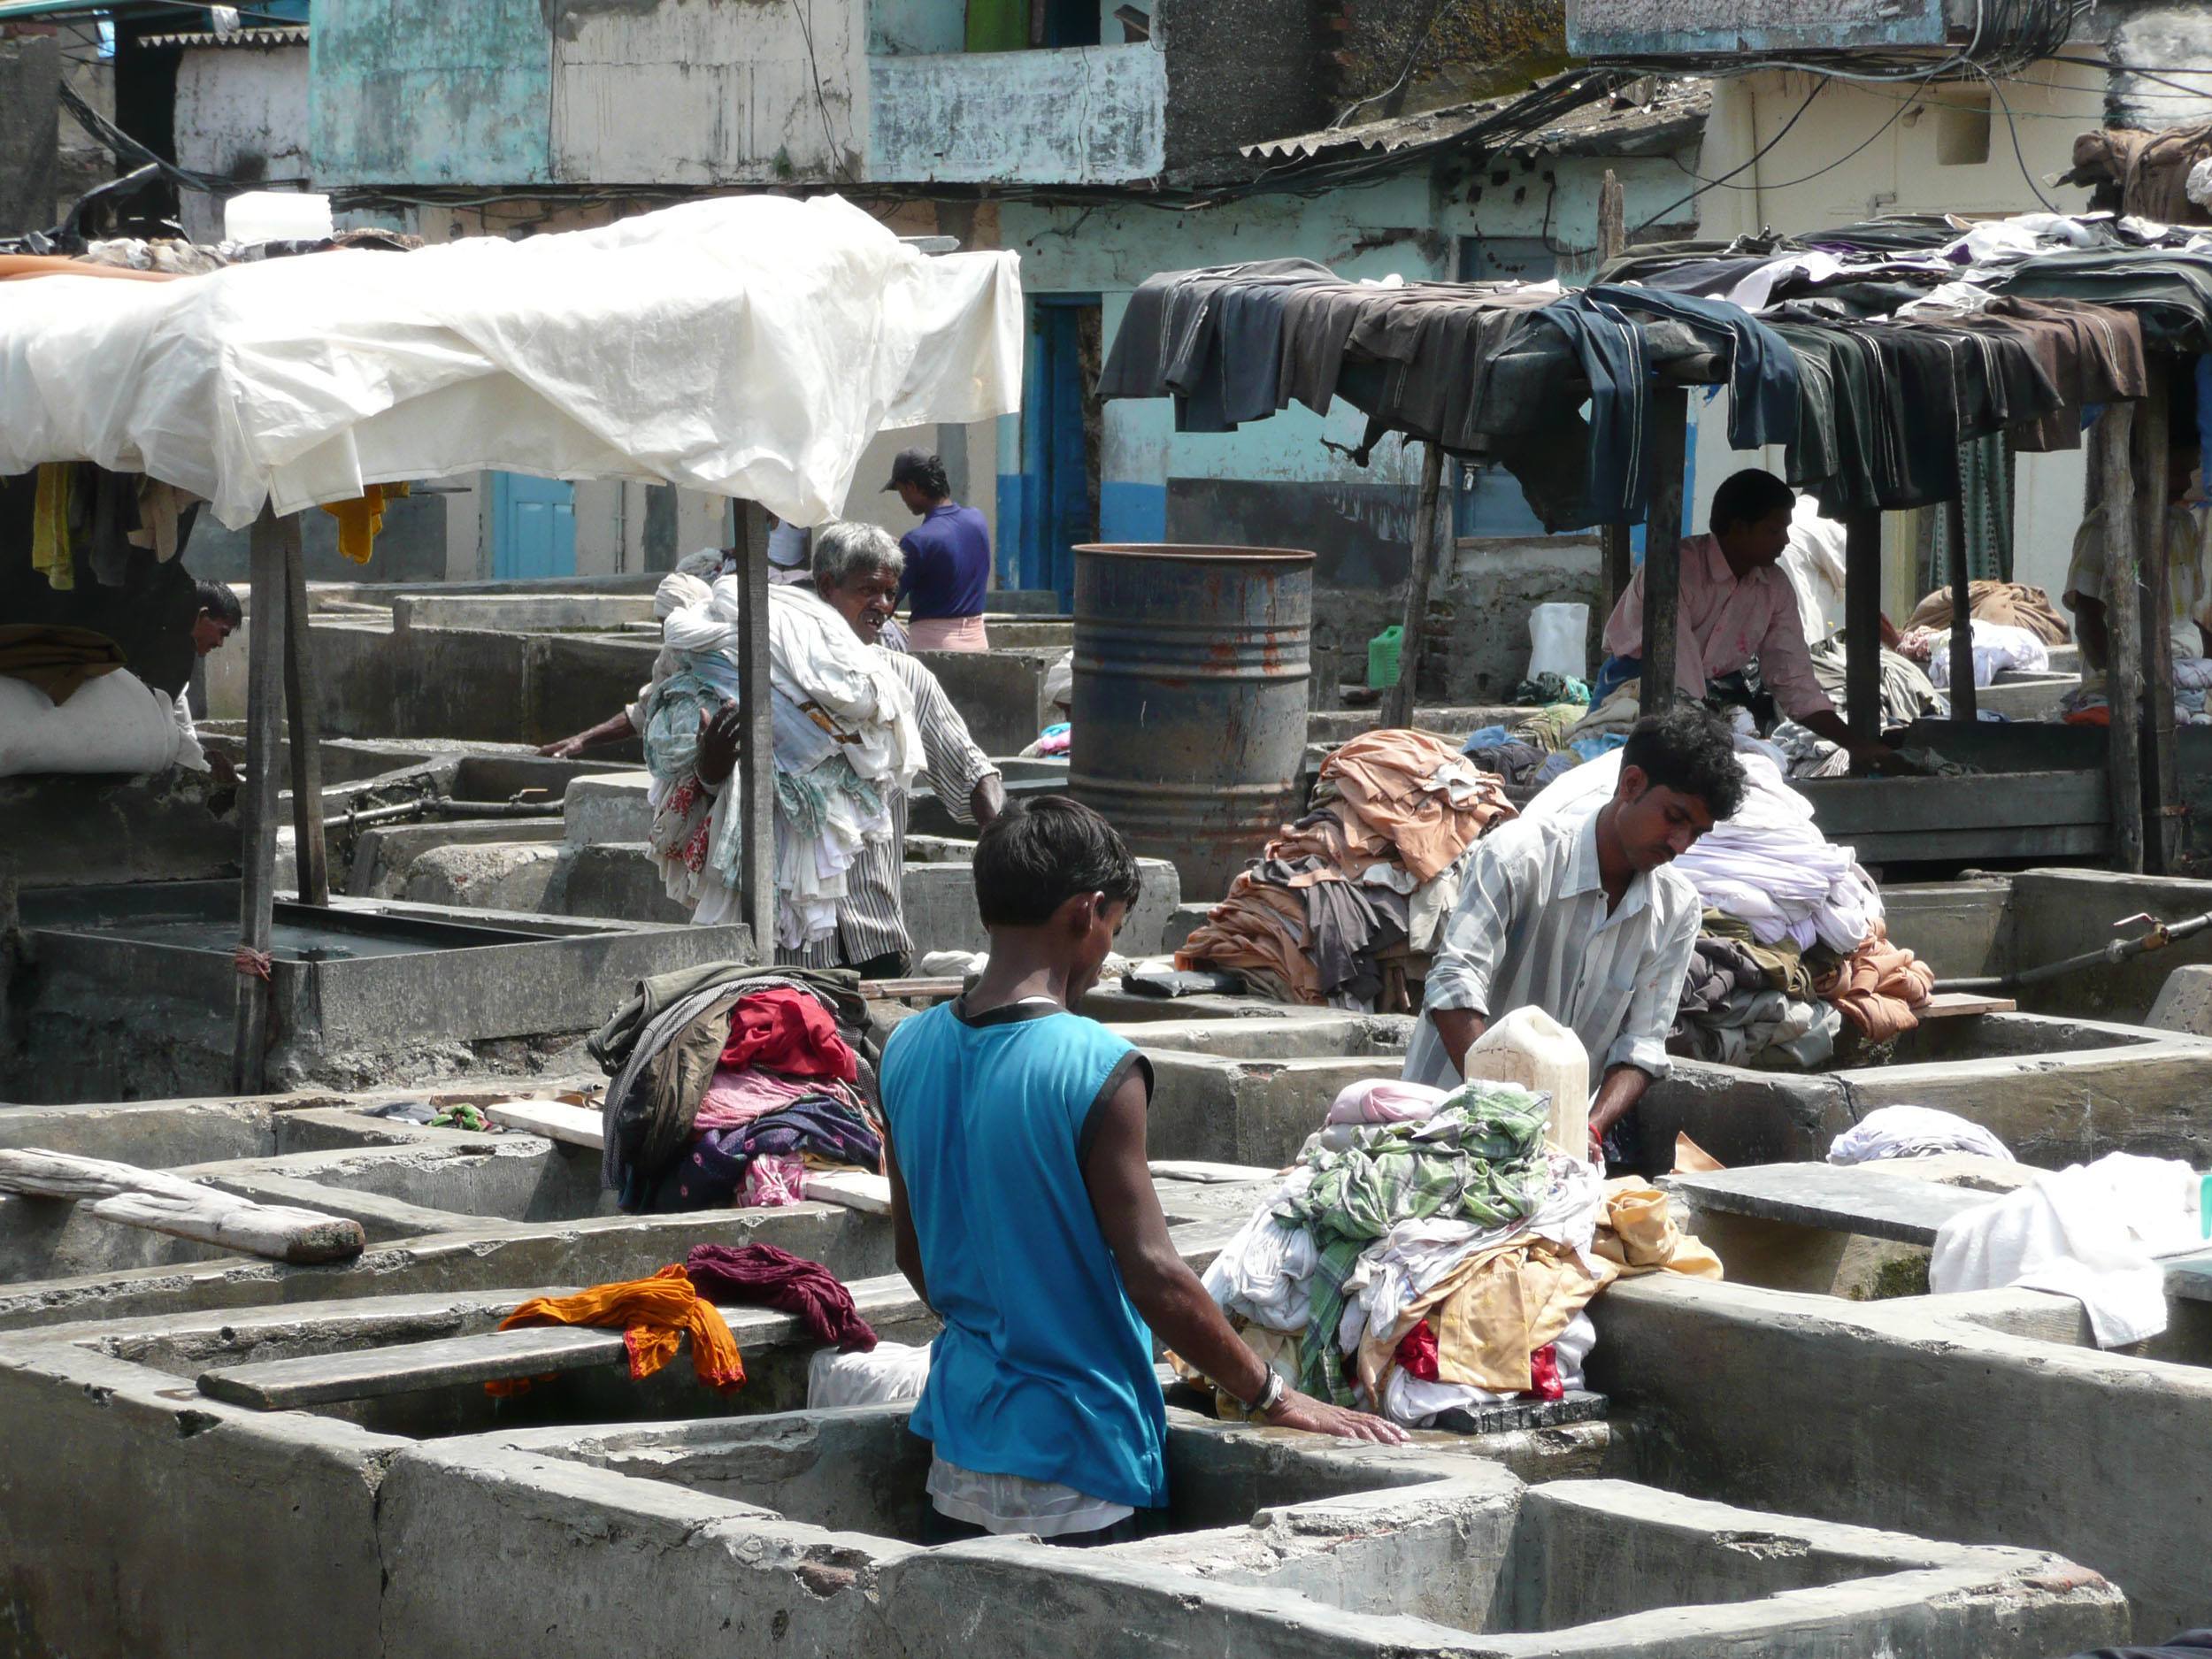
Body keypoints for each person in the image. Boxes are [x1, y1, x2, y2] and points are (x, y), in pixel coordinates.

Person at [881, 797, 1404, 1546]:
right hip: (1080, 1464)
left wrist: (1003, 1320)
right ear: (1087, 912)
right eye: (1115, 930)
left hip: (958, 1452)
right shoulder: (1097, 1066)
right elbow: (1155, 1274)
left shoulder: (906, 1049)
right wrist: (1273, 1394)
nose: (1104, 956)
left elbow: (914, 1254)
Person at [1402, 705, 1747, 1162]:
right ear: (1631, 784)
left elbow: (1641, 1046)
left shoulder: (1677, 910)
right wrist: (1505, 1115)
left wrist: (1589, 1128)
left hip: (1557, 1154)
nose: (1680, 844)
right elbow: (1452, 988)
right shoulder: (1518, 857)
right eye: (1674, 817)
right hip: (1440, 1130)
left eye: (1697, 834)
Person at [695, 520, 1003, 979]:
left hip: (873, 936)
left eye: (890, 593)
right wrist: (709, 767)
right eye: (869, 590)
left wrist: (1007, 842)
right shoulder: (765, 673)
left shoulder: (906, 680)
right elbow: (694, 790)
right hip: (781, 944)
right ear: (826, 586)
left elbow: (974, 771)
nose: (882, 605)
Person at [1599, 468, 1893, 770]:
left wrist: (1857, 745)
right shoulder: (1676, 570)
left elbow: (1793, 680)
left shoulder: (1775, 586)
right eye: (1774, 531)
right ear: (1739, 528)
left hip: (1704, 696)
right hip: (1634, 685)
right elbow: (1676, 669)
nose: (1786, 541)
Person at [538, 541, 910, 760]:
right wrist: (583, 740)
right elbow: (645, 709)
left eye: (889, 594)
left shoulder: (758, 641)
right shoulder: (687, 657)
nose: (669, 632)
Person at [2064, 442, 2211, 670]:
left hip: (2183, 678)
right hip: (2125, 682)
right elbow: (2087, 625)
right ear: (2141, 468)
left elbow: (2184, 622)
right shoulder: (2102, 527)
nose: (2186, 483)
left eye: (2189, 472)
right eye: (2176, 472)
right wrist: (2123, 685)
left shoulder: (2184, 525)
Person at [885, 448, 992, 653]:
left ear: (912, 486)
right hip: (979, 645)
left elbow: (886, 603)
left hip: (933, 650)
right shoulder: (978, 520)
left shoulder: (916, 541)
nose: (903, 499)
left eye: (901, 491)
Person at [173, 578, 240, 783]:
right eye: (222, 633)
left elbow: (181, 724)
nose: (220, 643)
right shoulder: (163, 653)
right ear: (202, 616)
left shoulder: (179, 658)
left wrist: (201, 758)